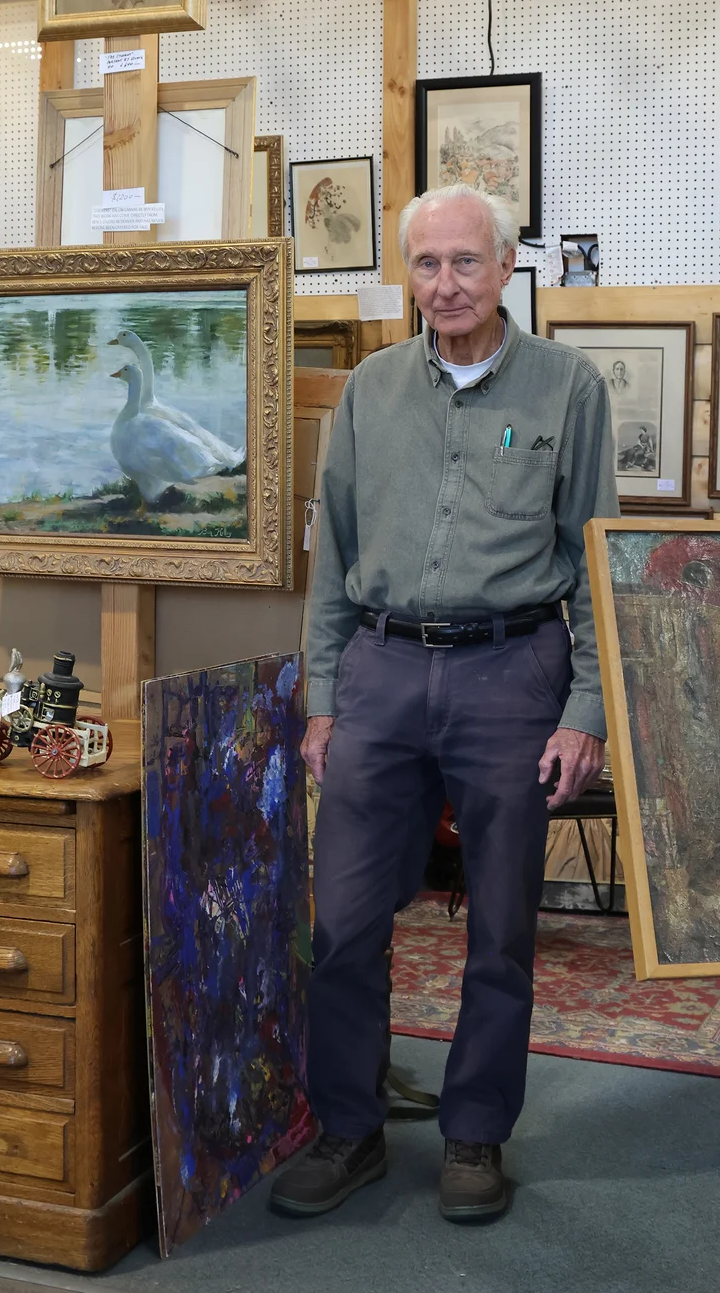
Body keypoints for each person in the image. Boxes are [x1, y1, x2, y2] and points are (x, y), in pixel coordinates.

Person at [270, 183, 619, 1225]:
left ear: (508, 266)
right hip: (379, 673)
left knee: (503, 926)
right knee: (345, 924)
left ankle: (475, 1135)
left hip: (512, 676)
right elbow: (329, 557)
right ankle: (348, 1127)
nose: (445, 285)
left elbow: (597, 560)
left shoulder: (568, 388)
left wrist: (588, 709)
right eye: (425, 264)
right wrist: (324, 698)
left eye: (465, 262)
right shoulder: (369, 394)